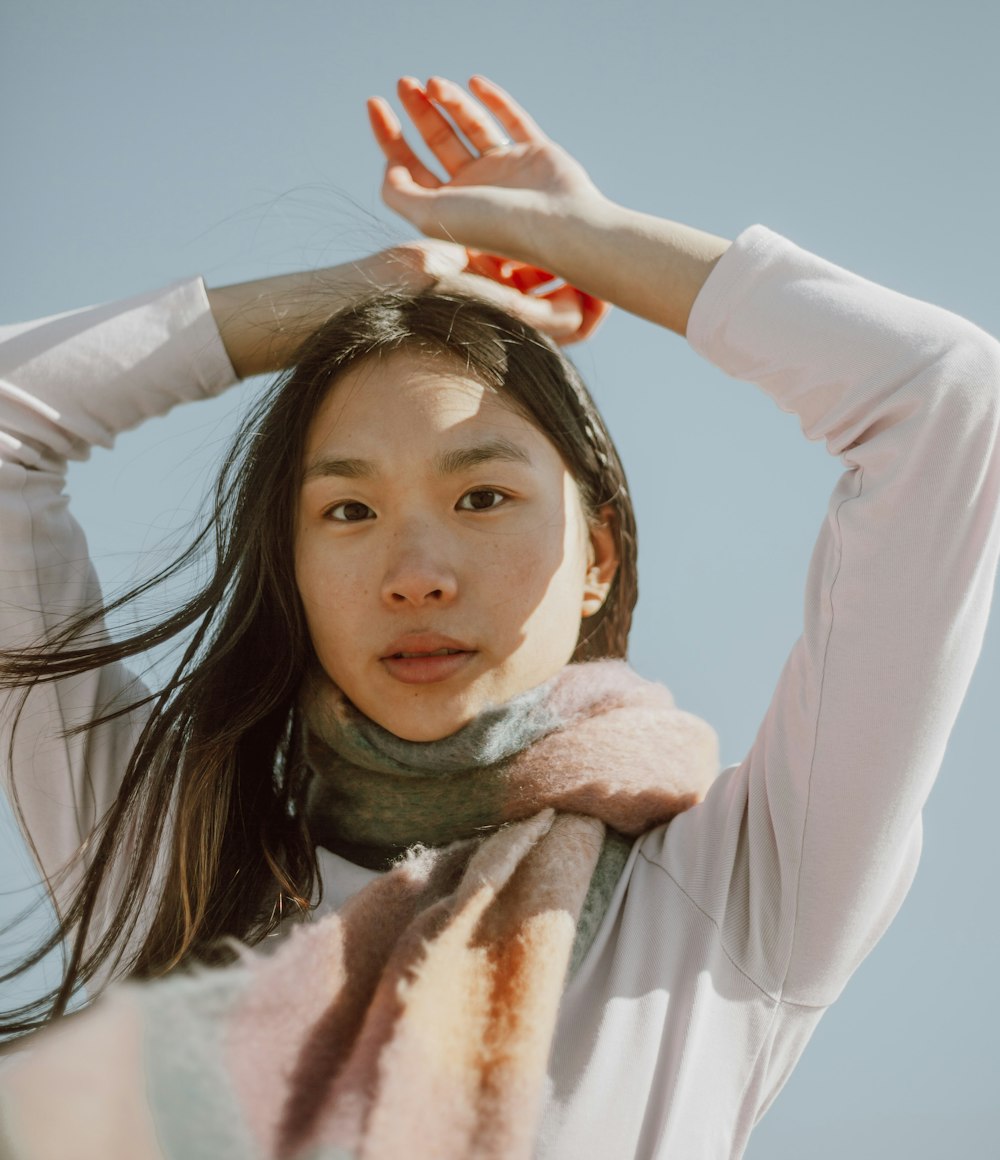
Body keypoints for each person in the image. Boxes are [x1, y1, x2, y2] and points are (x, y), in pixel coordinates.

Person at [0, 74, 997, 1160]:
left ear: (596, 556)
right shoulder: (178, 864)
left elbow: (942, 396)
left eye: (482, 498)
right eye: (347, 509)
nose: (416, 574)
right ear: (292, 569)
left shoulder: (740, 890)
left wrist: (592, 239)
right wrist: (363, 294)